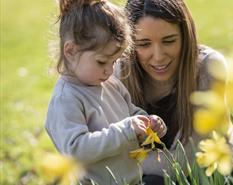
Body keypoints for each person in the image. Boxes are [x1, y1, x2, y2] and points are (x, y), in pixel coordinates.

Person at [116, 0, 233, 184]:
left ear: (186, 36)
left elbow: (183, 163)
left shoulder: (208, 66)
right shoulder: (119, 71)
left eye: (169, 41)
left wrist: (119, 161)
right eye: (144, 44)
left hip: (208, 174)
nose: (159, 56)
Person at [45, 0, 167, 184]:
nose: (110, 70)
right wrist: (127, 130)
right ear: (70, 51)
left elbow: (129, 113)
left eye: (114, 61)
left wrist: (147, 124)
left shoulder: (109, 83)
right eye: (102, 62)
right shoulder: (66, 99)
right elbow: (76, 150)